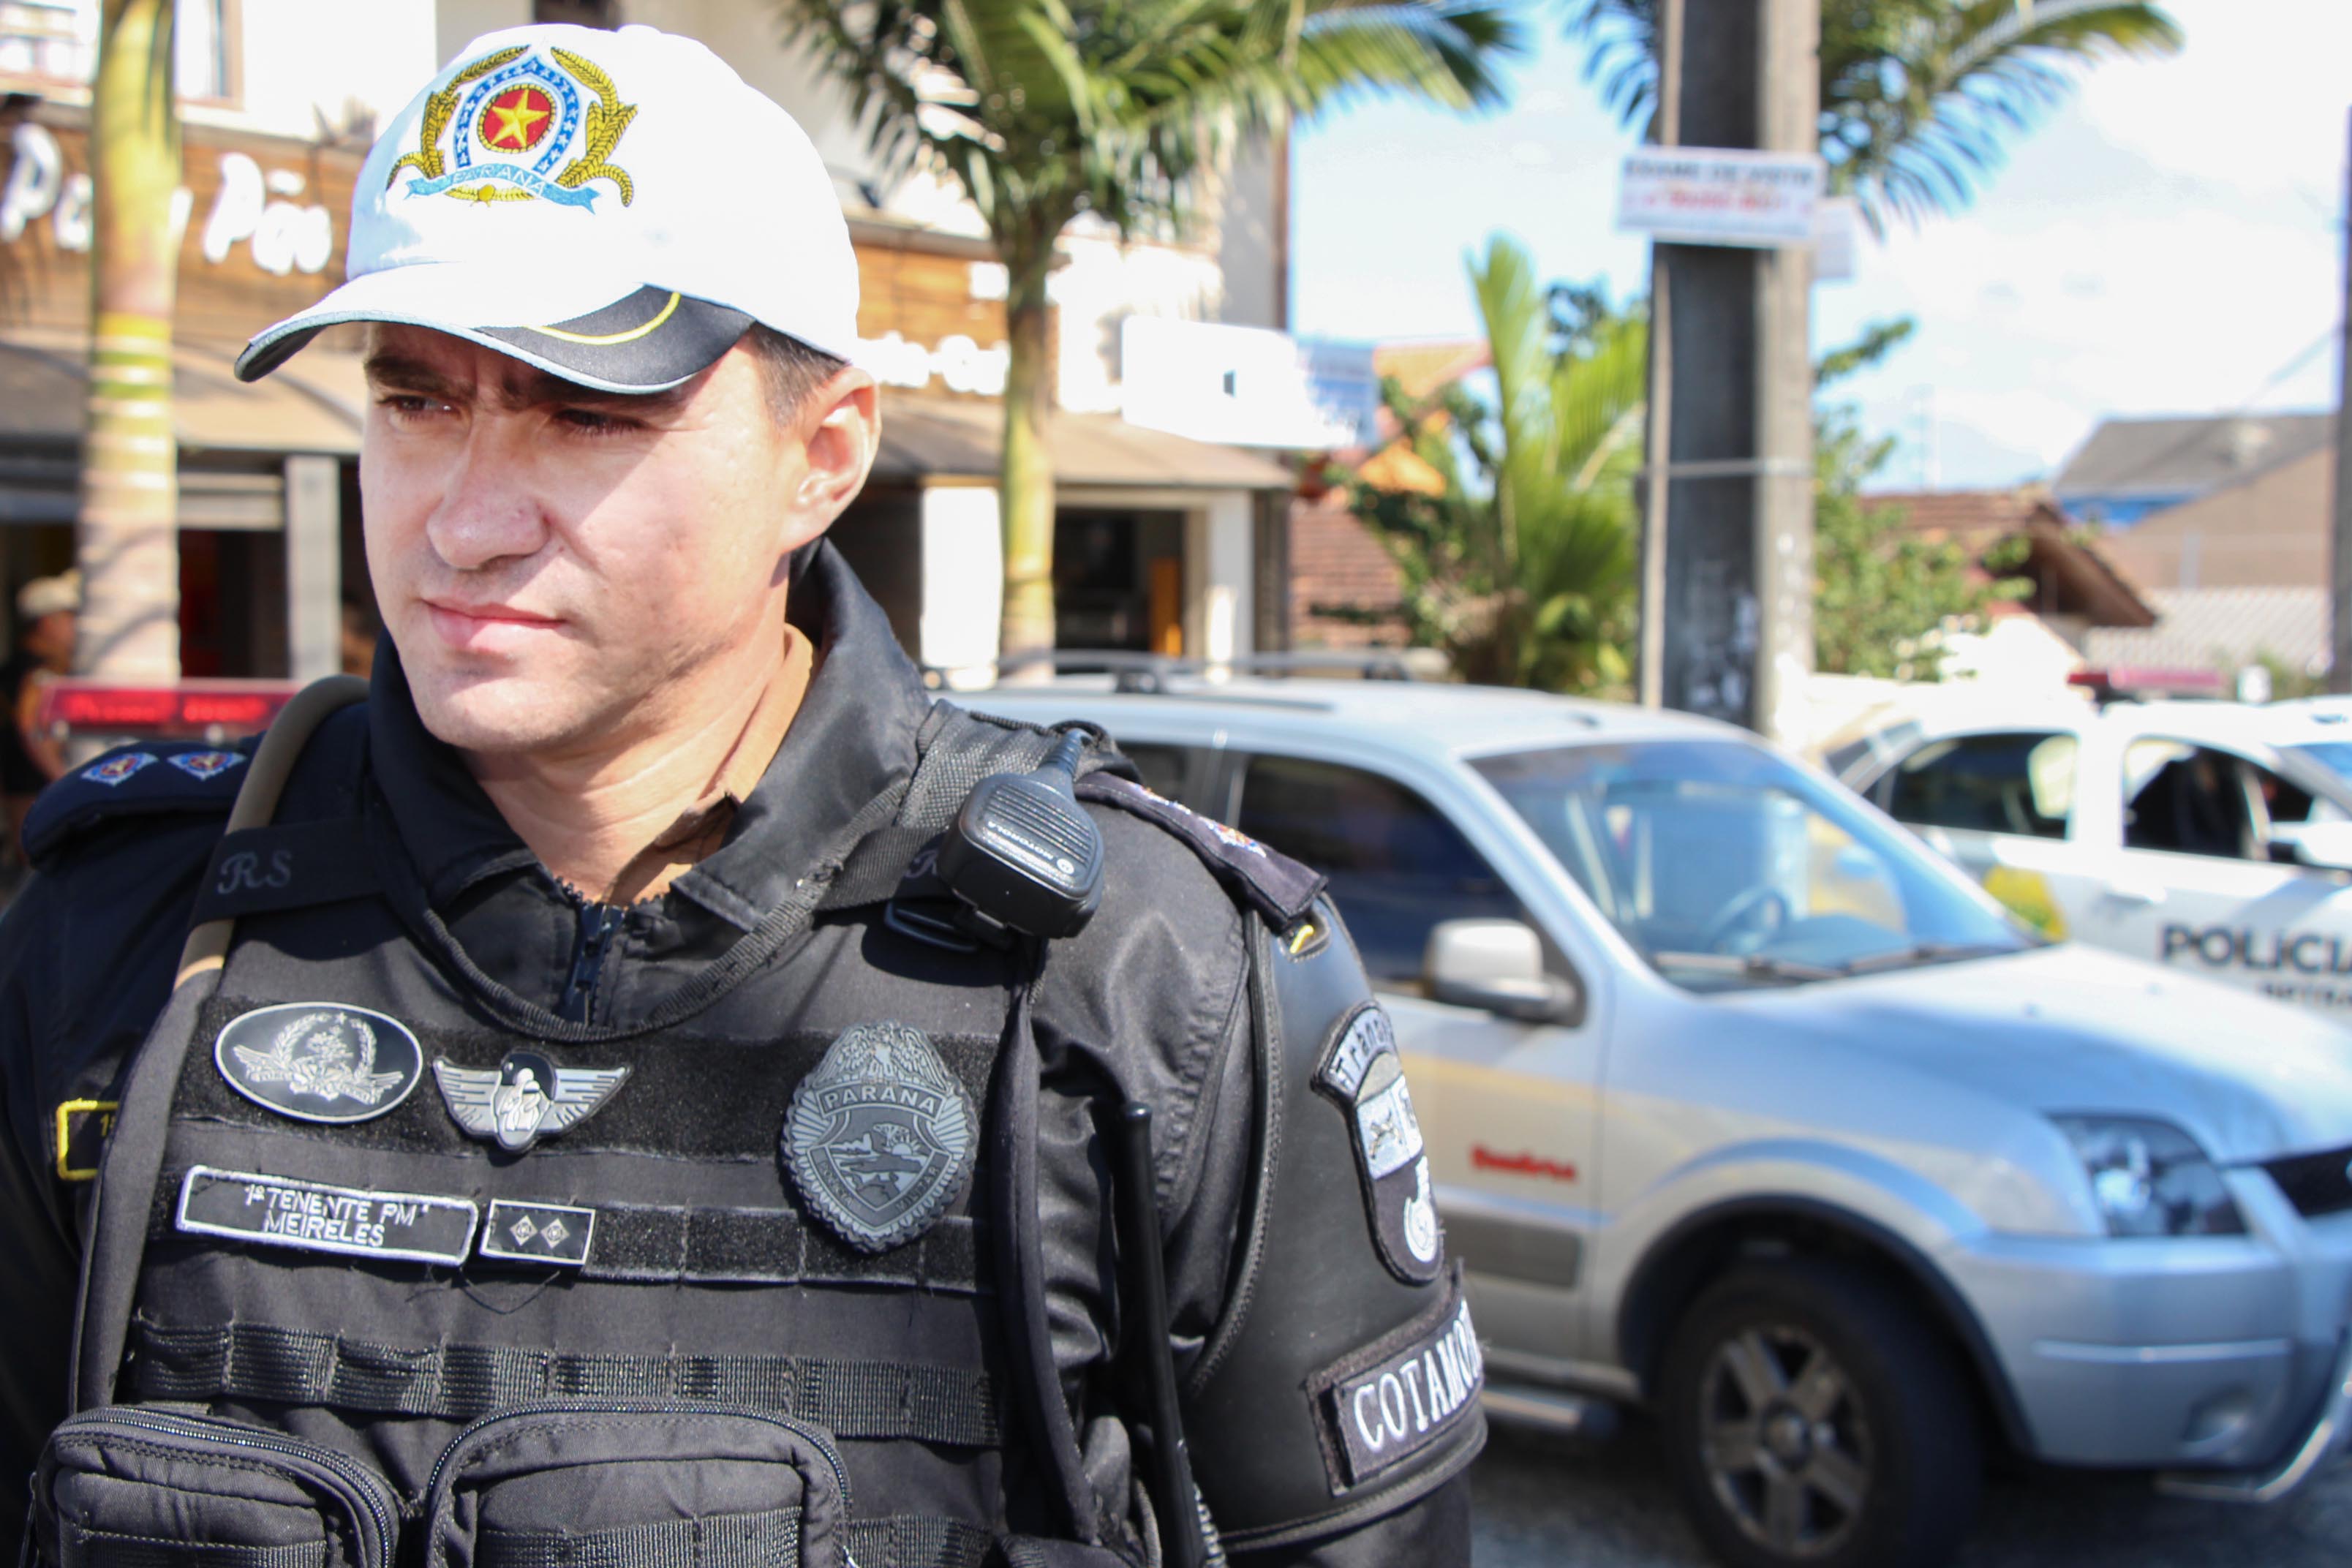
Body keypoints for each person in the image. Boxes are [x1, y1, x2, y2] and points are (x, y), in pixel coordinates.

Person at [0, 23, 1481, 1568]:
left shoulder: (1148, 978)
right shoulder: (129, 941)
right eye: (418, 402)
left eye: (587, 412)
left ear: (822, 454)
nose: (466, 520)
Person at [1, 570, 76, 852]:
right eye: (69, 617)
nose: (75, 627)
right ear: (48, 622)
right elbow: (29, 726)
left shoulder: (15, 667)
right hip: (33, 789)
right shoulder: (40, 672)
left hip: (21, 787)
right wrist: (64, 778)